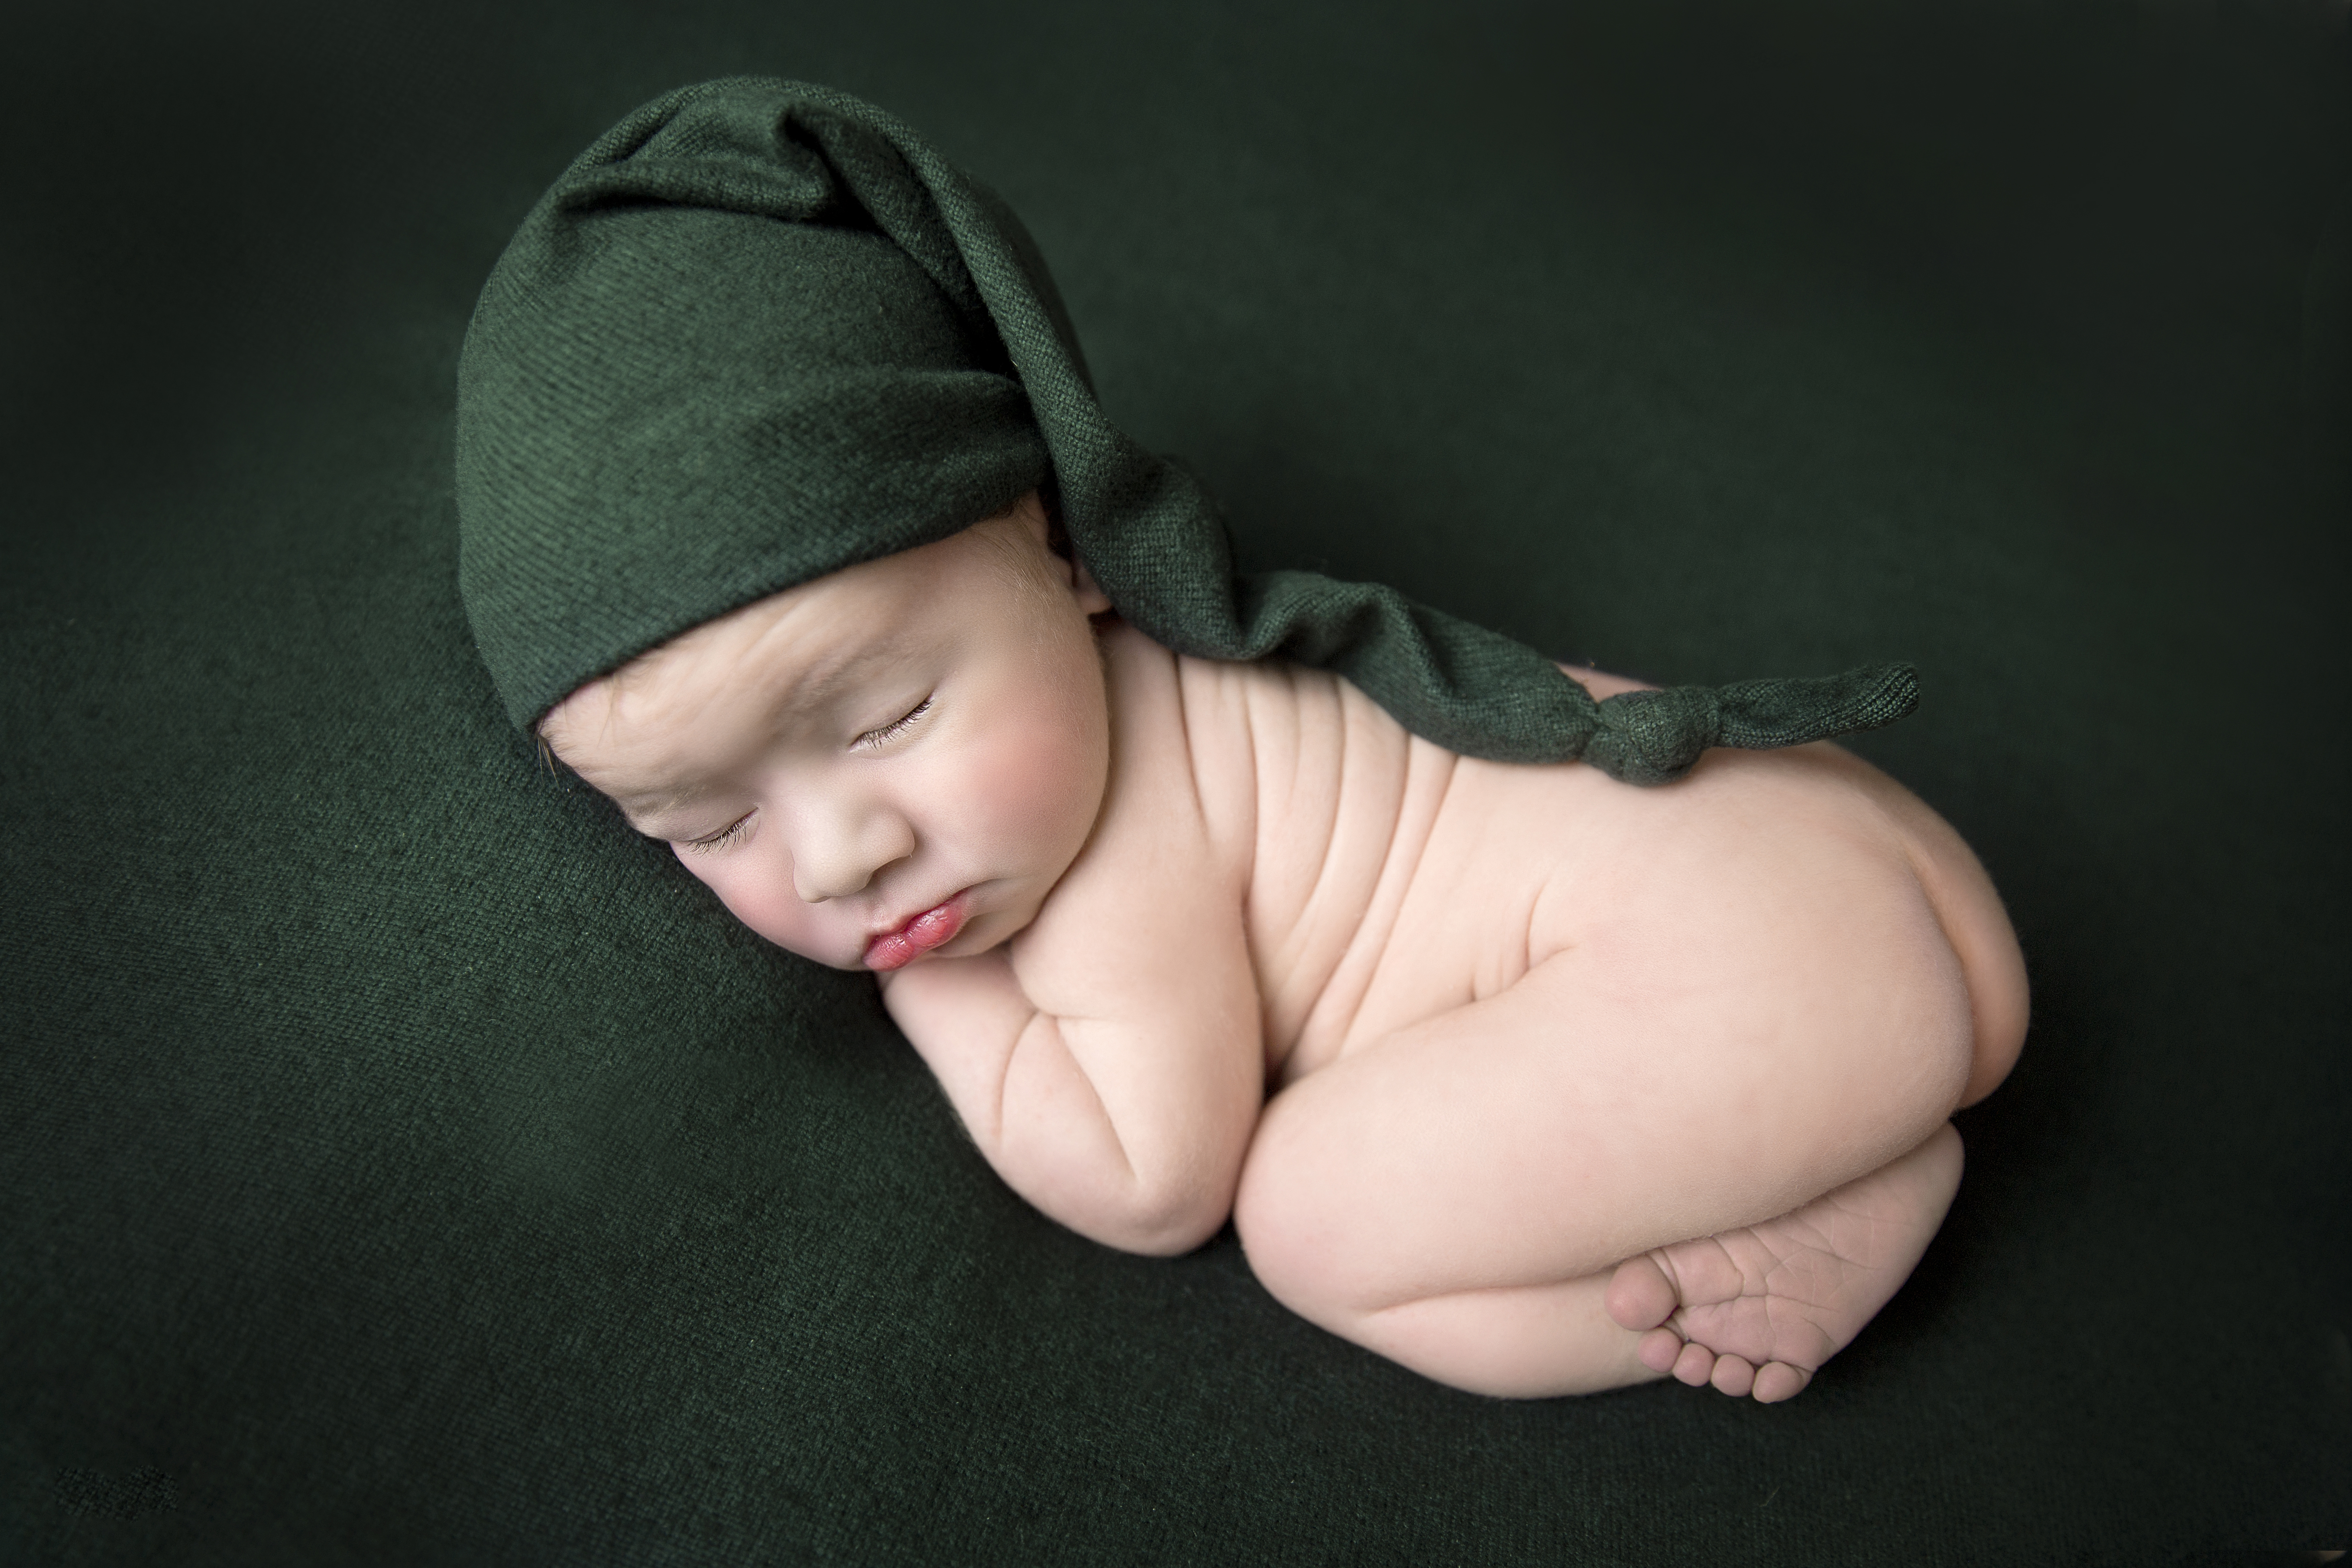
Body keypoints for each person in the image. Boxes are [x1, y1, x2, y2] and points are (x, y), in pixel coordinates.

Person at [457, 80, 2027, 1403]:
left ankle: (1816, 1208)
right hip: (1840, 856)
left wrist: (938, 991)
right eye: (707, 826)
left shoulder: (1117, 854)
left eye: (891, 716)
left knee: (1313, 1220)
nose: (843, 853)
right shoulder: (1120, 702)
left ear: (1062, 548)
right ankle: (1856, 1135)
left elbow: (1151, 1182)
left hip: (1760, 967)